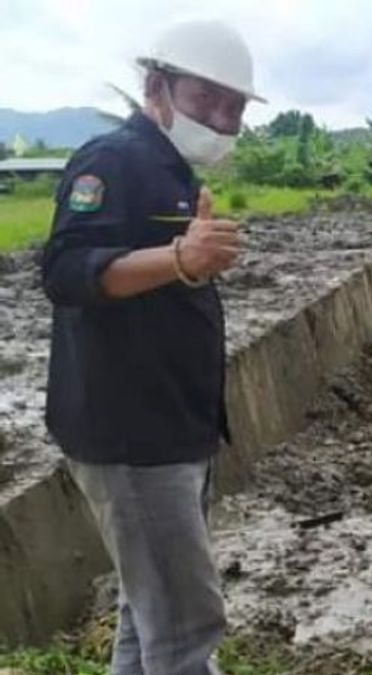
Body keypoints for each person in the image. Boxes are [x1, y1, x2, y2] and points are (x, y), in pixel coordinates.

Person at [40, 19, 264, 675]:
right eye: (206, 99)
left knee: (150, 616)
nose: (221, 119)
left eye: (234, 108)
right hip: (134, 438)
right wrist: (180, 257)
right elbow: (66, 271)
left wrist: (182, 260)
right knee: (185, 631)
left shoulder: (171, 169)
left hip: (172, 429)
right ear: (156, 87)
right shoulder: (112, 162)